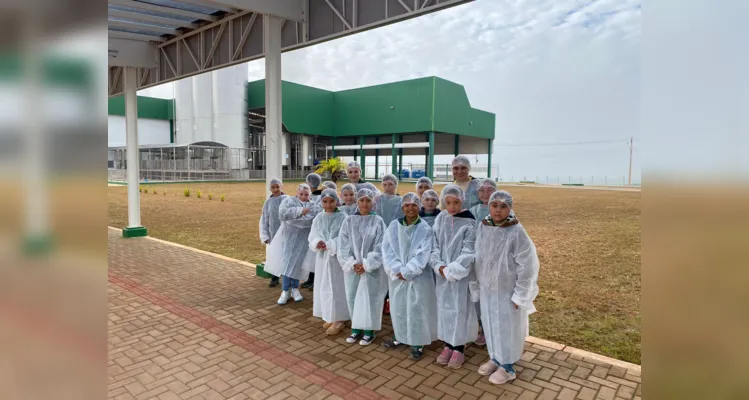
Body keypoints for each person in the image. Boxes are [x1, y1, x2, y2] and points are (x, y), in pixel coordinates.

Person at [475, 190, 539, 385]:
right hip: (488, 289)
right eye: (494, 205)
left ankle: (508, 366)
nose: (498, 210)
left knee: (507, 328)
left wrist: (521, 295)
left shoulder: (516, 231)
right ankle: (495, 357)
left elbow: (527, 265)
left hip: (507, 291)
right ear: (489, 206)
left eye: (503, 206)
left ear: (510, 208)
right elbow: (479, 256)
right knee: (491, 324)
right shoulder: (484, 226)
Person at [381, 193, 437, 360]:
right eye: (407, 205)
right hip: (397, 277)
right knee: (399, 307)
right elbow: (387, 249)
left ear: (419, 206)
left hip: (418, 277)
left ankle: (417, 342)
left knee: (417, 308)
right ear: (402, 207)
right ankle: (400, 336)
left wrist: (409, 271)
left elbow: (423, 253)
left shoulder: (425, 228)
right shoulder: (393, 226)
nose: (410, 208)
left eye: (414, 204)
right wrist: (397, 269)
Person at [431, 184, 478, 369]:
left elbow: (469, 251)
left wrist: (452, 270)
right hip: (442, 274)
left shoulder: (469, 222)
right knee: (444, 308)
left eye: (456, 202)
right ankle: (447, 344)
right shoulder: (441, 218)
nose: (452, 207)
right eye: (448, 202)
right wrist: (438, 266)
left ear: (462, 200)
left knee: (460, 309)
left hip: (460, 276)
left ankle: (459, 346)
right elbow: (433, 243)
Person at [337, 188, 389, 346]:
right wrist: (353, 263)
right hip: (353, 269)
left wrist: (367, 264)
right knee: (353, 296)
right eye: (361, 200)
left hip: (371, 269)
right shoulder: (349, 221)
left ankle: (369, 330)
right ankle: (356, 327)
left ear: (373, 201)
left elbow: (381, 245)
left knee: (370, 298)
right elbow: (343, 244)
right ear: (357, 202)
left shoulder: (378, 221)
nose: (365, 203)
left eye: (368, 200)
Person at [265, 184, 320, 305]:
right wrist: (300, 211)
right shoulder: (288, 201)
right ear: (297, 193)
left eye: (306, 194)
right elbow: (283, 215)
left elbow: (311, 220)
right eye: (301, 194)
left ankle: (295, 289)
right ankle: (285, 290)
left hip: (303, 240)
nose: (304, 197)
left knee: (297, 263)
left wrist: (295, 217)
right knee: (287, 263)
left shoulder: (313, 205)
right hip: (288, 238)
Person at [308, 189, 350, 335]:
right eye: (325, 201)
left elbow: (345, 237)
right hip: (322, 257)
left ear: (336, 201)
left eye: (331, 201)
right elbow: (313, 234)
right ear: (321, 202)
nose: (328, 204)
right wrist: (318, 242)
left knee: (337, 287)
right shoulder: (319, 217)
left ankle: (340, 318)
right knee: (324, 285)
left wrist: (331, 244)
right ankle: (330, 315)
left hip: (336, 257)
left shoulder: (343, 217)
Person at [259, 178, 288, 288]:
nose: (275, 189)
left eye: (277, 186)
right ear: (270, 189)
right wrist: (265, 235)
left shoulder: (287, 199)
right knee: (274, 255)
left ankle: (287, 277)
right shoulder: (268, 203)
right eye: (273, 187)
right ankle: (274, 277)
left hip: (286, 233)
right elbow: (264, 219)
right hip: (273, 233)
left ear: (281, 186)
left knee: (286, 255)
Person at [302, 175, 323, 290]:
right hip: (309, 230)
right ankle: (310, 279)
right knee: (310, 256)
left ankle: (314, 280)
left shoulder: (319, 197)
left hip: (316, 229)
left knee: (315, 256)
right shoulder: (309, 196)